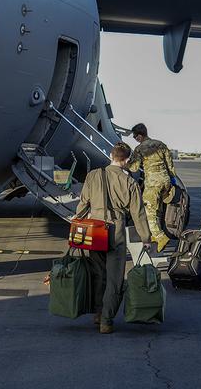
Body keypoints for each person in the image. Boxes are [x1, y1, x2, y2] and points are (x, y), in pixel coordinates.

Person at [76, 142, 153, 334]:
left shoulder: (93, 175)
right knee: (114, 279)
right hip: (116, 230)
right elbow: (138, 213)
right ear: (126, 160)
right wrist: (146, 238)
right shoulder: (130, 182)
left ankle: (98, 313)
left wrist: (77, 222)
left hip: (95, 229)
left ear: (111, 155)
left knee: (98, 273)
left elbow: (83, 203)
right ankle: (106, 321)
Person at [127, 123, 178, 252]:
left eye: (134, 137)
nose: (135, 139)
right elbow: (170, 165)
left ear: (139, 136)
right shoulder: (160, 144)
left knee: (148, 211)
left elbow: (133, 167)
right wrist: (172, 180)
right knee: (158, 209)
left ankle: (160, 237)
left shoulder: (140, 148)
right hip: (165, 181)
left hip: (153, 184)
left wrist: (125, 163)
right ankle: (155, 234)